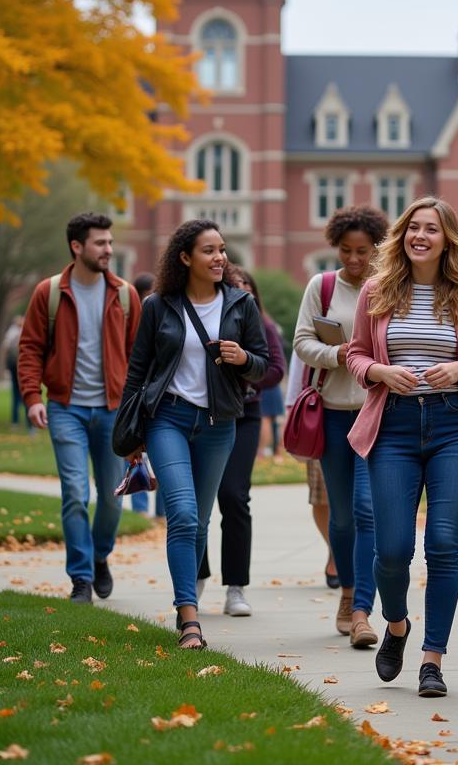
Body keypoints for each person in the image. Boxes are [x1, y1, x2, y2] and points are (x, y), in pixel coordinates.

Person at [347, 196, 458, 697]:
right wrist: (377, 371)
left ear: (446, 238)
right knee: (392, 549)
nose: (420, 236)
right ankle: (396, 626)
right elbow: (354, 354)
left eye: (431, 229)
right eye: (413, 227)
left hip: (452, 425)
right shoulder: (377, 290)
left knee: (441, 545)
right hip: (392, 426)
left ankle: (432, 659)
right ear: (402, 235)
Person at [118, 219, 268, 649]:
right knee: (182, 514)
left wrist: (243, 359)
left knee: (199, 521)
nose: (220, 257)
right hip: (169, 418)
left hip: (220, 424)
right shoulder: (158, 306)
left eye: (222, 249)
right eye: (209, 250)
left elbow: (261, 364)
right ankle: (189, 618)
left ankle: (189, 604)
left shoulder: (241, 304)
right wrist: (131, 434)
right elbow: (138, 372)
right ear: (185, 258)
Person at [17, 213, 141, 601]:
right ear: (77, 247)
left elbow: (139, 356)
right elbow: (30, 349)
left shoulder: (124, 294)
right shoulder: (49, 293)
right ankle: (81, 578)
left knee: (110, 497)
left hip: (112, 411)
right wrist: (33, 398)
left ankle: (100, 555)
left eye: (109, 242)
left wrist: (138, 410)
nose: (108, 249)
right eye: (100, 243)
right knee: (74, 492)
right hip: (65, 408)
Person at [295, 204, 390, 648]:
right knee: (343, 515)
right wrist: (341, 355)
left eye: (363, 251)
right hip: (333, 414)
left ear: (378, 249)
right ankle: (347, 588)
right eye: (346, 251)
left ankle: (361, 610)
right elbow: (302, 343)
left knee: (369, 511)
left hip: (377, 415)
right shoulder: (323, 286)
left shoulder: (389, 288)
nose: (354, 260)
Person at [198, 268, 286, 615]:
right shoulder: (206, 320)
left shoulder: (261, 326)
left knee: (234, 496)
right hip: (204, 414)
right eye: (235, 290)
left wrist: (245, 367)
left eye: (247, 290)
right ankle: (196, 575)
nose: (242, 297)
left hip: (245, 414)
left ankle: (236, 587)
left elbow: (276, 370)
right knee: (196, 502)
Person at [284, 350, 337, 587]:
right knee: (321, 496)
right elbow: (301, 352)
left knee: (362, 500)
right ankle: (336, 550)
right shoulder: (320, 311)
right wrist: (293, 405)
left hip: (366, 405)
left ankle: (351, 555)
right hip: (320, 409)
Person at [130, 274, 157, 515]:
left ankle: (162, 510)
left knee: (161, 457)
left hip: (157, 397)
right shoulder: (133, 320)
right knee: (137, 453)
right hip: (137, 397)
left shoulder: (161, 313)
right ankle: (140, 508)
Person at [0, 315, 26, 430]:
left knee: (17, 394)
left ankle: (16, 422)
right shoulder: (21, 331)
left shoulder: (11, 332)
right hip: (21, 366)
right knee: (23, 393)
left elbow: (4, 348)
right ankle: (29, 424)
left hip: (14, 366)